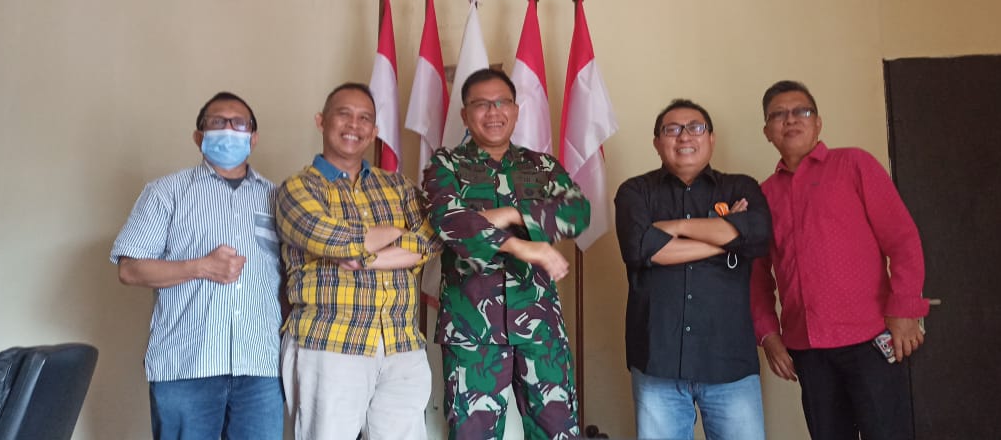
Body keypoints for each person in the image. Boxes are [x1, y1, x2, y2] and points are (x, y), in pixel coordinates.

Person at [750, 80, 930, 440]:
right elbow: (756, 277)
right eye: (778, 115)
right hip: (808, 347)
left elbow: (902, 239)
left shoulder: (854, 164)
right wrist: (769, 334)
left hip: (871, 338)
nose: (791, 120)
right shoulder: (763, 196)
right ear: (767, 131)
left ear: (818, 123)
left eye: (801, 111)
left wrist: (906, 308)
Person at [422, 68, 590, 440]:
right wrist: (522, 243)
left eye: (502, 102)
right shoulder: (445, 165)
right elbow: (447, 221)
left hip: (539, 323)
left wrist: (512, 213)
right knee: (472, 435)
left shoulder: (542, 166)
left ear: (516, 110)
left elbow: (577, 213)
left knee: (558, 432)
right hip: (472, 327)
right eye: (481, 104)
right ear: (465, 114)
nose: (493, 111)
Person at [111, 92, 284, 440]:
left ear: (254, 138)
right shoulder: (166, 193)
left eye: (239, 123)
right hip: (187, 365)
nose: (229, 129)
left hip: (261, 366)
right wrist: (201, 267)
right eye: (217, 122)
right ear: (198, 136)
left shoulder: (278, 197)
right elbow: (129, 269)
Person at [274, 82, 440, 440]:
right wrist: (395, 234)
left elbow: (429, 238)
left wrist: (366, 260)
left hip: (401, 343)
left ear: (375, 131)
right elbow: (329, 238)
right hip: (331, 341)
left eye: (365, 118)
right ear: (321, 121)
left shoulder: (399, 187)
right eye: (344, 114)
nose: (354, 125)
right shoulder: (298, 188)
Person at [614, 99, 772, 439]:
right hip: (658, 361)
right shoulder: (635, 191)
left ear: (711, 138)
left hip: (729, 361)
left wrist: (671, 229)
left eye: (695, 127)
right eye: (672, 129)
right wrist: (728, 237)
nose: (684, 136)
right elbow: (640, 249)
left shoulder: (741, 187)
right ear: (657, 142)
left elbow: (757, 235)